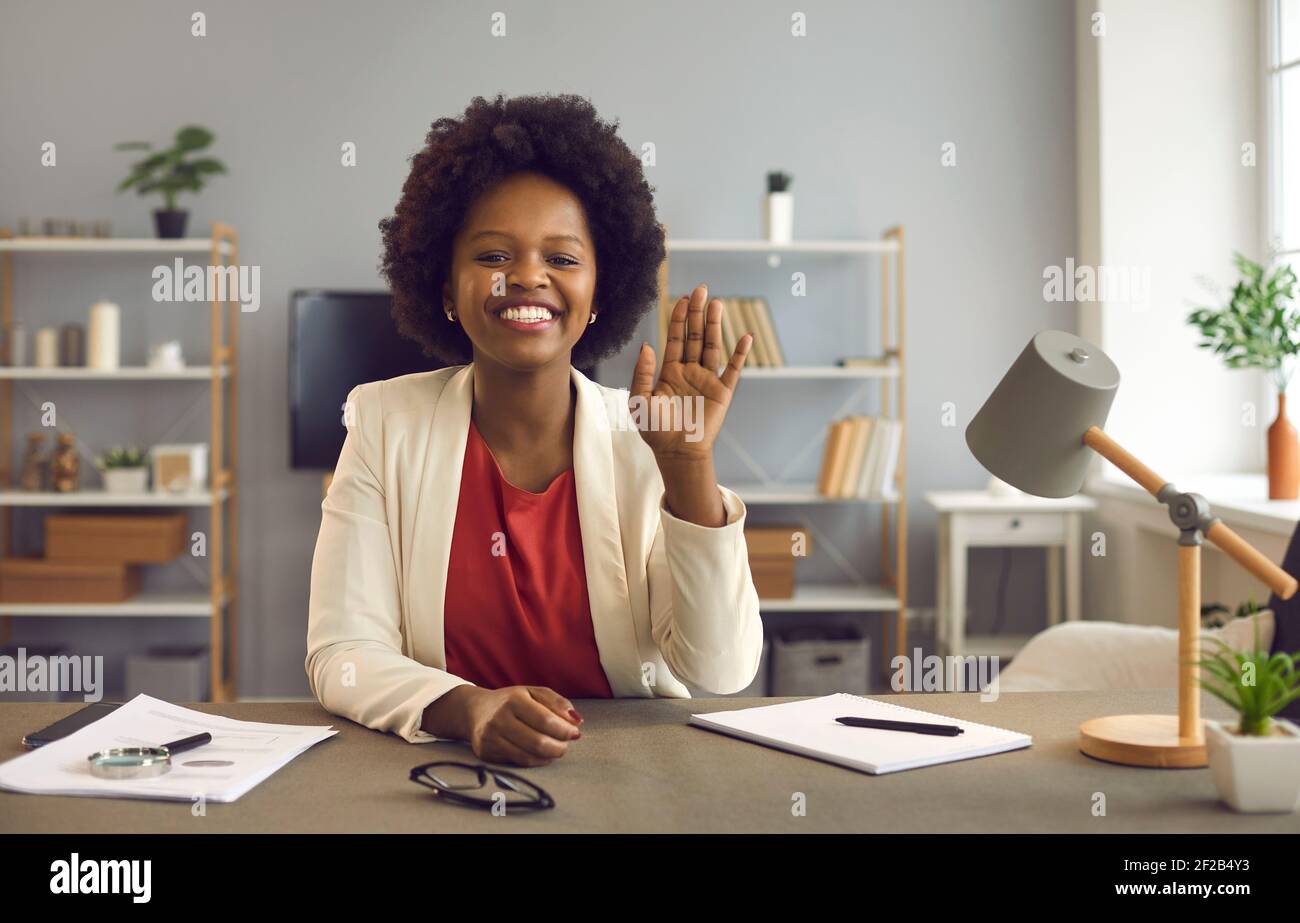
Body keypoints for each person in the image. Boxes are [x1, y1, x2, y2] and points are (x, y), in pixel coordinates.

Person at [305, 93, 763, 767]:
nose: (526, 277)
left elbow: (720, 670)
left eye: (563, 258)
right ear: (444, 286)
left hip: (638, 782)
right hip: (446, 771)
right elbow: (343, 654)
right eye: (492, 255)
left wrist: (688, 467)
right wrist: (470, 708)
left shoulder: (648, 434)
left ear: (601, 291)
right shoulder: (383, 423)